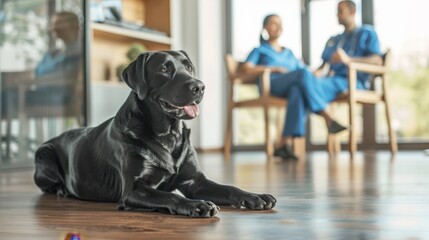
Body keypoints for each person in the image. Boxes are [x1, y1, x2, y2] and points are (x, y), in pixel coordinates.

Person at [241, 14, 347, 160]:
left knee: (297, 91)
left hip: (291, 85)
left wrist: (324, 69)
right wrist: (274, 69)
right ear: (265, 27)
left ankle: (283, 145)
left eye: (279, 23)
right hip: (272, 84)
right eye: (273, 23)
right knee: (302, 75)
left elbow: (306, 72)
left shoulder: (289, 52)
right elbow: (247, 68)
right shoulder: (260, 49)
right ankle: (327, 116)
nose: (277, 26)